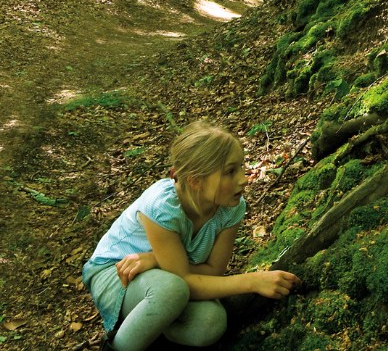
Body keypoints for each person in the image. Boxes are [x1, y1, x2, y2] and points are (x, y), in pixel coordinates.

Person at [82, 120, 301, 350]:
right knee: (171, 290)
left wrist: (156, 260)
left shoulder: (231, 208)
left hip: (166, 279)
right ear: (195, 181)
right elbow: (183, 280)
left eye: (241, 167)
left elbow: (213, 271)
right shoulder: (162, 207)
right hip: (115, 272)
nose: (243, 179)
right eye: (230, 172)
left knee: (211, 321)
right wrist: (253, 281)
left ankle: (148, 334)